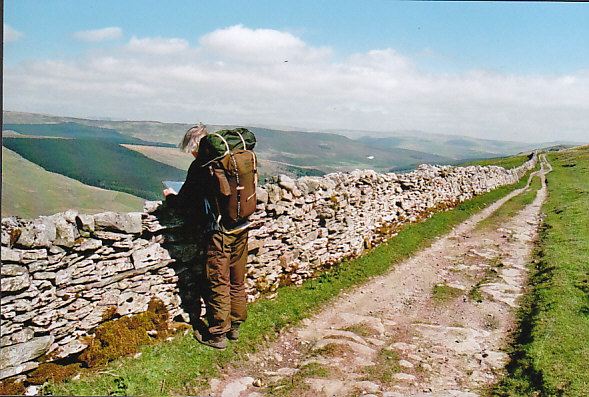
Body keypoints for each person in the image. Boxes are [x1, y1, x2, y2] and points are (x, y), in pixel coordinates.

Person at [164, 125, 250, 350]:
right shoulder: (230, 159)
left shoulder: (201, 166)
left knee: (218, 281)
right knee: (236, 277)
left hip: (219, 232)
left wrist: (170, 197)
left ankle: (218, 335)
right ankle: (235, 327)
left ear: (196, 147)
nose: (192, 154)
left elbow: (184, 203)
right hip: (241, 226)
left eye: (191, 150)